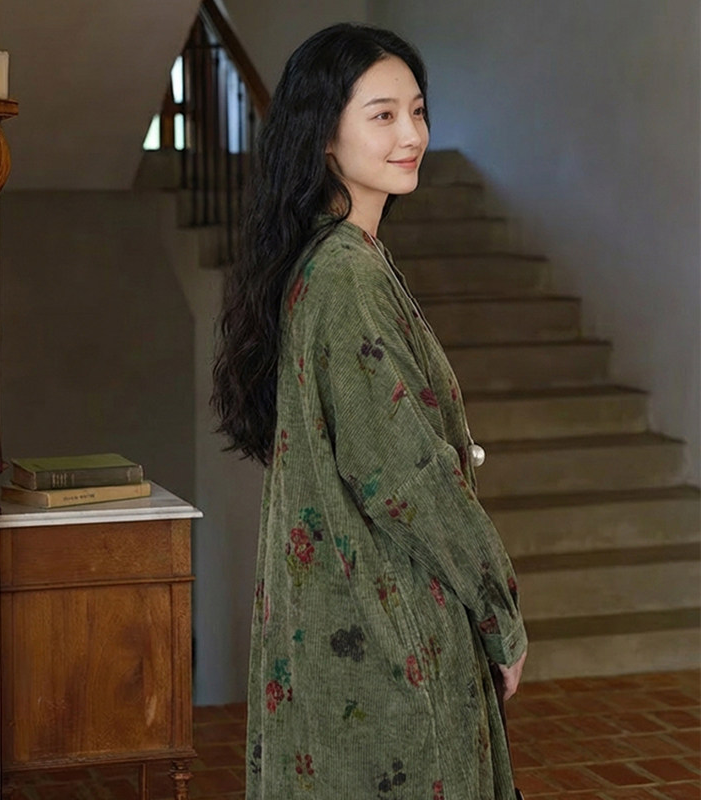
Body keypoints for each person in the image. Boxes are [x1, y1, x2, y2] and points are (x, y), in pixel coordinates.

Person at [212, 22, 527, 799]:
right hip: (390, 631)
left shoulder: (335, 258)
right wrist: (499, 613)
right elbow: (408, 477)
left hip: (352, 619)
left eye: (417, 111)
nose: (411, 135)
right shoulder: (345, 275)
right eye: (382, 115)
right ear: (324, 136)